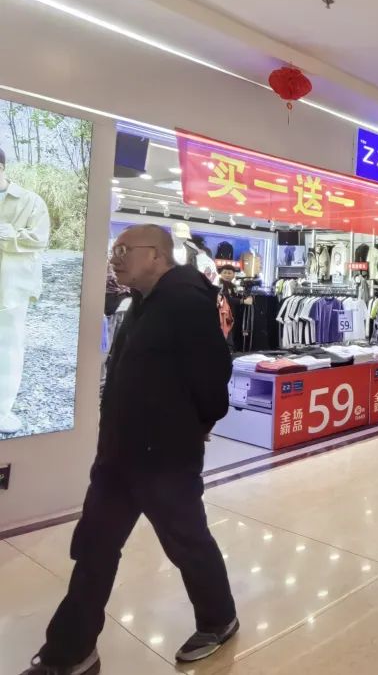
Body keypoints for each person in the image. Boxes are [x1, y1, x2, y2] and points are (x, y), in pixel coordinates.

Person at [22, 225, 238, 675]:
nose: (115, 257)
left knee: (188, 543)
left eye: (123, 250)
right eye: (113, 250)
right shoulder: (141, 302)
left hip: (166, 459)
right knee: (94, 549)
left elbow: (212, 381)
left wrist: (193, 428)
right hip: (118, 458)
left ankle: (220, 619)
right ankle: (70, 652)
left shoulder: (186, 301)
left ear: (157, 255)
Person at [0, 146, 51, 435]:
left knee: (8, 347)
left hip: (12, 286)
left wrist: (9, 235)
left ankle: (2, 410)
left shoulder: (30, 201)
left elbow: (39, 238)